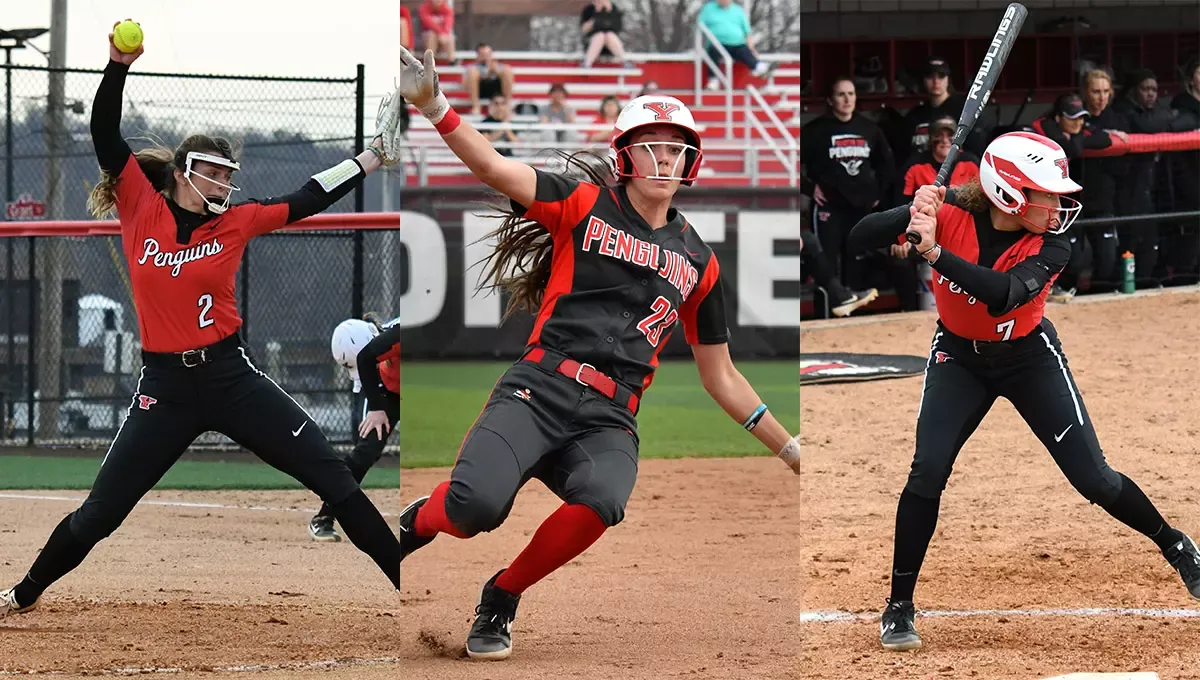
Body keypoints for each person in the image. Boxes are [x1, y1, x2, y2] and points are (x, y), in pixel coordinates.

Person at [393, 45, 802, 661]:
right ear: (624, 157)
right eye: (650, 147)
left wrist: (790, 448)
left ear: (690, 162)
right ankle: (418, 520)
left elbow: (720, 375)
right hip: (538, 389)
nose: (664, 159)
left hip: (610, 415)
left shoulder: (700, 261)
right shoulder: (582, 203)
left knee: (604, 499)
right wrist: (436, 108)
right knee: (474, 508)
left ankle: (502, 595)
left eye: (676, 149)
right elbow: (496, 169)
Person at [0, 23, 408, 619]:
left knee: (337, 483)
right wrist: (117, 65)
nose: (224, 182)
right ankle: (22, 593)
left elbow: (307, 196)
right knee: (99, 515)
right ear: (183, 171)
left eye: (228, 174)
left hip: (231, 379)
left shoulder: (235, 221)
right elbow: (104, 133)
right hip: (164, 390)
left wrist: (370, 158)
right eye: (213, 171)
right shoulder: (140, 202)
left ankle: (407, 590)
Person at [846, 131, 1200, 652]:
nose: (1056, 206)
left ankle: (1176, 546)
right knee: (927, 470)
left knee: (1095, 479)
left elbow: (1003, 294)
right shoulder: (951, 209)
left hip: (1029, 358)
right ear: (1008, 195)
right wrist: (913, 211)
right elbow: (858, 237)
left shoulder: (1054, 243)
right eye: (1045, 195)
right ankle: (899, 605)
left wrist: (934, 252)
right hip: (959, 358)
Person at [308, 314, 402, 542]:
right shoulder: (388, 342)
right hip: (385, 390)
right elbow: (366, 359)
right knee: (367, 450)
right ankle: (324, 517)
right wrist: (377, 408)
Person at [800, 77, 895, 290]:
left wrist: (876, 194)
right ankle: (827, 308)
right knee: (826, 264)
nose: (847, 99)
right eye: (841, 94)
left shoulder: (869, 129)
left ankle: (854, 307)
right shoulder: (814, 130)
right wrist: (808, 187)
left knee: (856, 264)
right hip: (828, 207)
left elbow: (887, 165)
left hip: (859, 208)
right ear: (830, 100)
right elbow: (790, 163)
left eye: (851, 94)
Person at [1030, 93, 1111, 302]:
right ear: (1058, 117)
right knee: (1055, 250)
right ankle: (1047, 287)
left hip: (1069, 201)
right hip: (1040, 199)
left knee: (1077, 254)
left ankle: (1058, 287)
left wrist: (1077, 136)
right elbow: (1070, 148)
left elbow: (1105, 138)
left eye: (1081, 118)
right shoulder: (1046, 126)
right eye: (1072, 118)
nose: (1078, 123)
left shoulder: (1075, 131)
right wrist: (1078, 138)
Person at [697, 0, 773, 91]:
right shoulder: (708, 9)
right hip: (717, 44)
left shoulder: (738, 11)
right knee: (713, 52)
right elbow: (699, 27)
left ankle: (760, 68)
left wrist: (752, 48)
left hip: (736, 44)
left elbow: (747, 32)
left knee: (744, 51)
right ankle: (713, 81)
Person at [465, 43, 514, 116]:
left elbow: (509, 79)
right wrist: (483, 76)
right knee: (472, 73)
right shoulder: (471, 68)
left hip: (496, 89)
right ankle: (476, 106)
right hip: (480, 89)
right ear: (478, 55)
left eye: (487, 54)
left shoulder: (499, 66)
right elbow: (464, 84)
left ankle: (506, 105)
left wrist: (495, 71)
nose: (485, 57)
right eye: (482, 54)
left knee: (507, 71)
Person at [580, 0, 630, 69]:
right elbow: (584, 29)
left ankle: (625, 62)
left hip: (611, 47)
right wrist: (597, 13)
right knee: (600, 36)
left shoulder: (614, 9)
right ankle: (586, 64)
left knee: (609, 35)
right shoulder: (589, 9)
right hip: (592, 46)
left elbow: (618, 28)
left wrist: (610, 13)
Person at [419, 0, 457, 64]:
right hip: (427, 40)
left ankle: (451, 61)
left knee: (450, 36)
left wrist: (444, 34)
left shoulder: (447, 9)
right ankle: (430, 62)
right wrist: (440, 33)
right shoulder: (424, 8)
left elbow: (448, 24)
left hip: (442, 40)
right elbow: (428, 23)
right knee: (432, 34)